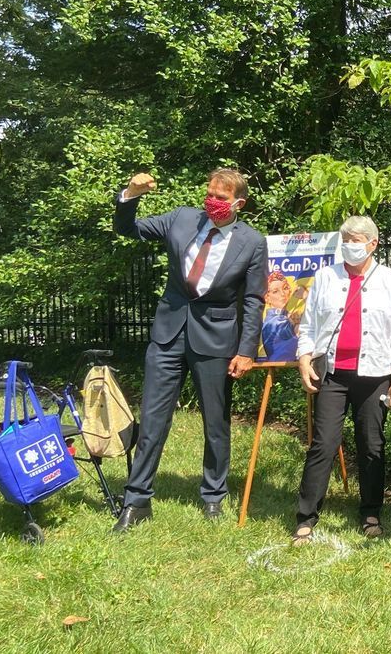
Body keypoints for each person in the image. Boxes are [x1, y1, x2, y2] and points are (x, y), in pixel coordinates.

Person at [111, 169, 269, 532]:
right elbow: (128, 229)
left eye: (221, 197)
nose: (212, 200)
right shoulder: (181, 219)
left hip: (216, 339)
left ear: (238, 204)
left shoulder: (252, 242)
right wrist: (130, 195)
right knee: (151, 419)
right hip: (168, 335)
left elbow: (253, 300)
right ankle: (136, 500)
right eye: (209, 192)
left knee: (216, 423)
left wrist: (246, 351)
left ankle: (213, 496)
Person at [292, 216, 391, 544]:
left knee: (372, 445)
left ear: (373, 243)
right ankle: (306, 515)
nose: (350, 245)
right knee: (323, 444)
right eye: (345, 239)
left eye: (356, 240)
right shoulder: (326, 277)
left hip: (375, 377)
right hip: (333, 375)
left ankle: (370, 511)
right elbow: (310, 325)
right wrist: (303, 359)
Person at [260, 271, 301, 362]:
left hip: (291, 368)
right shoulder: (273, 321)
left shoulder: (285, 317)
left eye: (285, 288)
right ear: (267, 297)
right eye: (275, 291)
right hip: (282, 369)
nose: (282, 294)